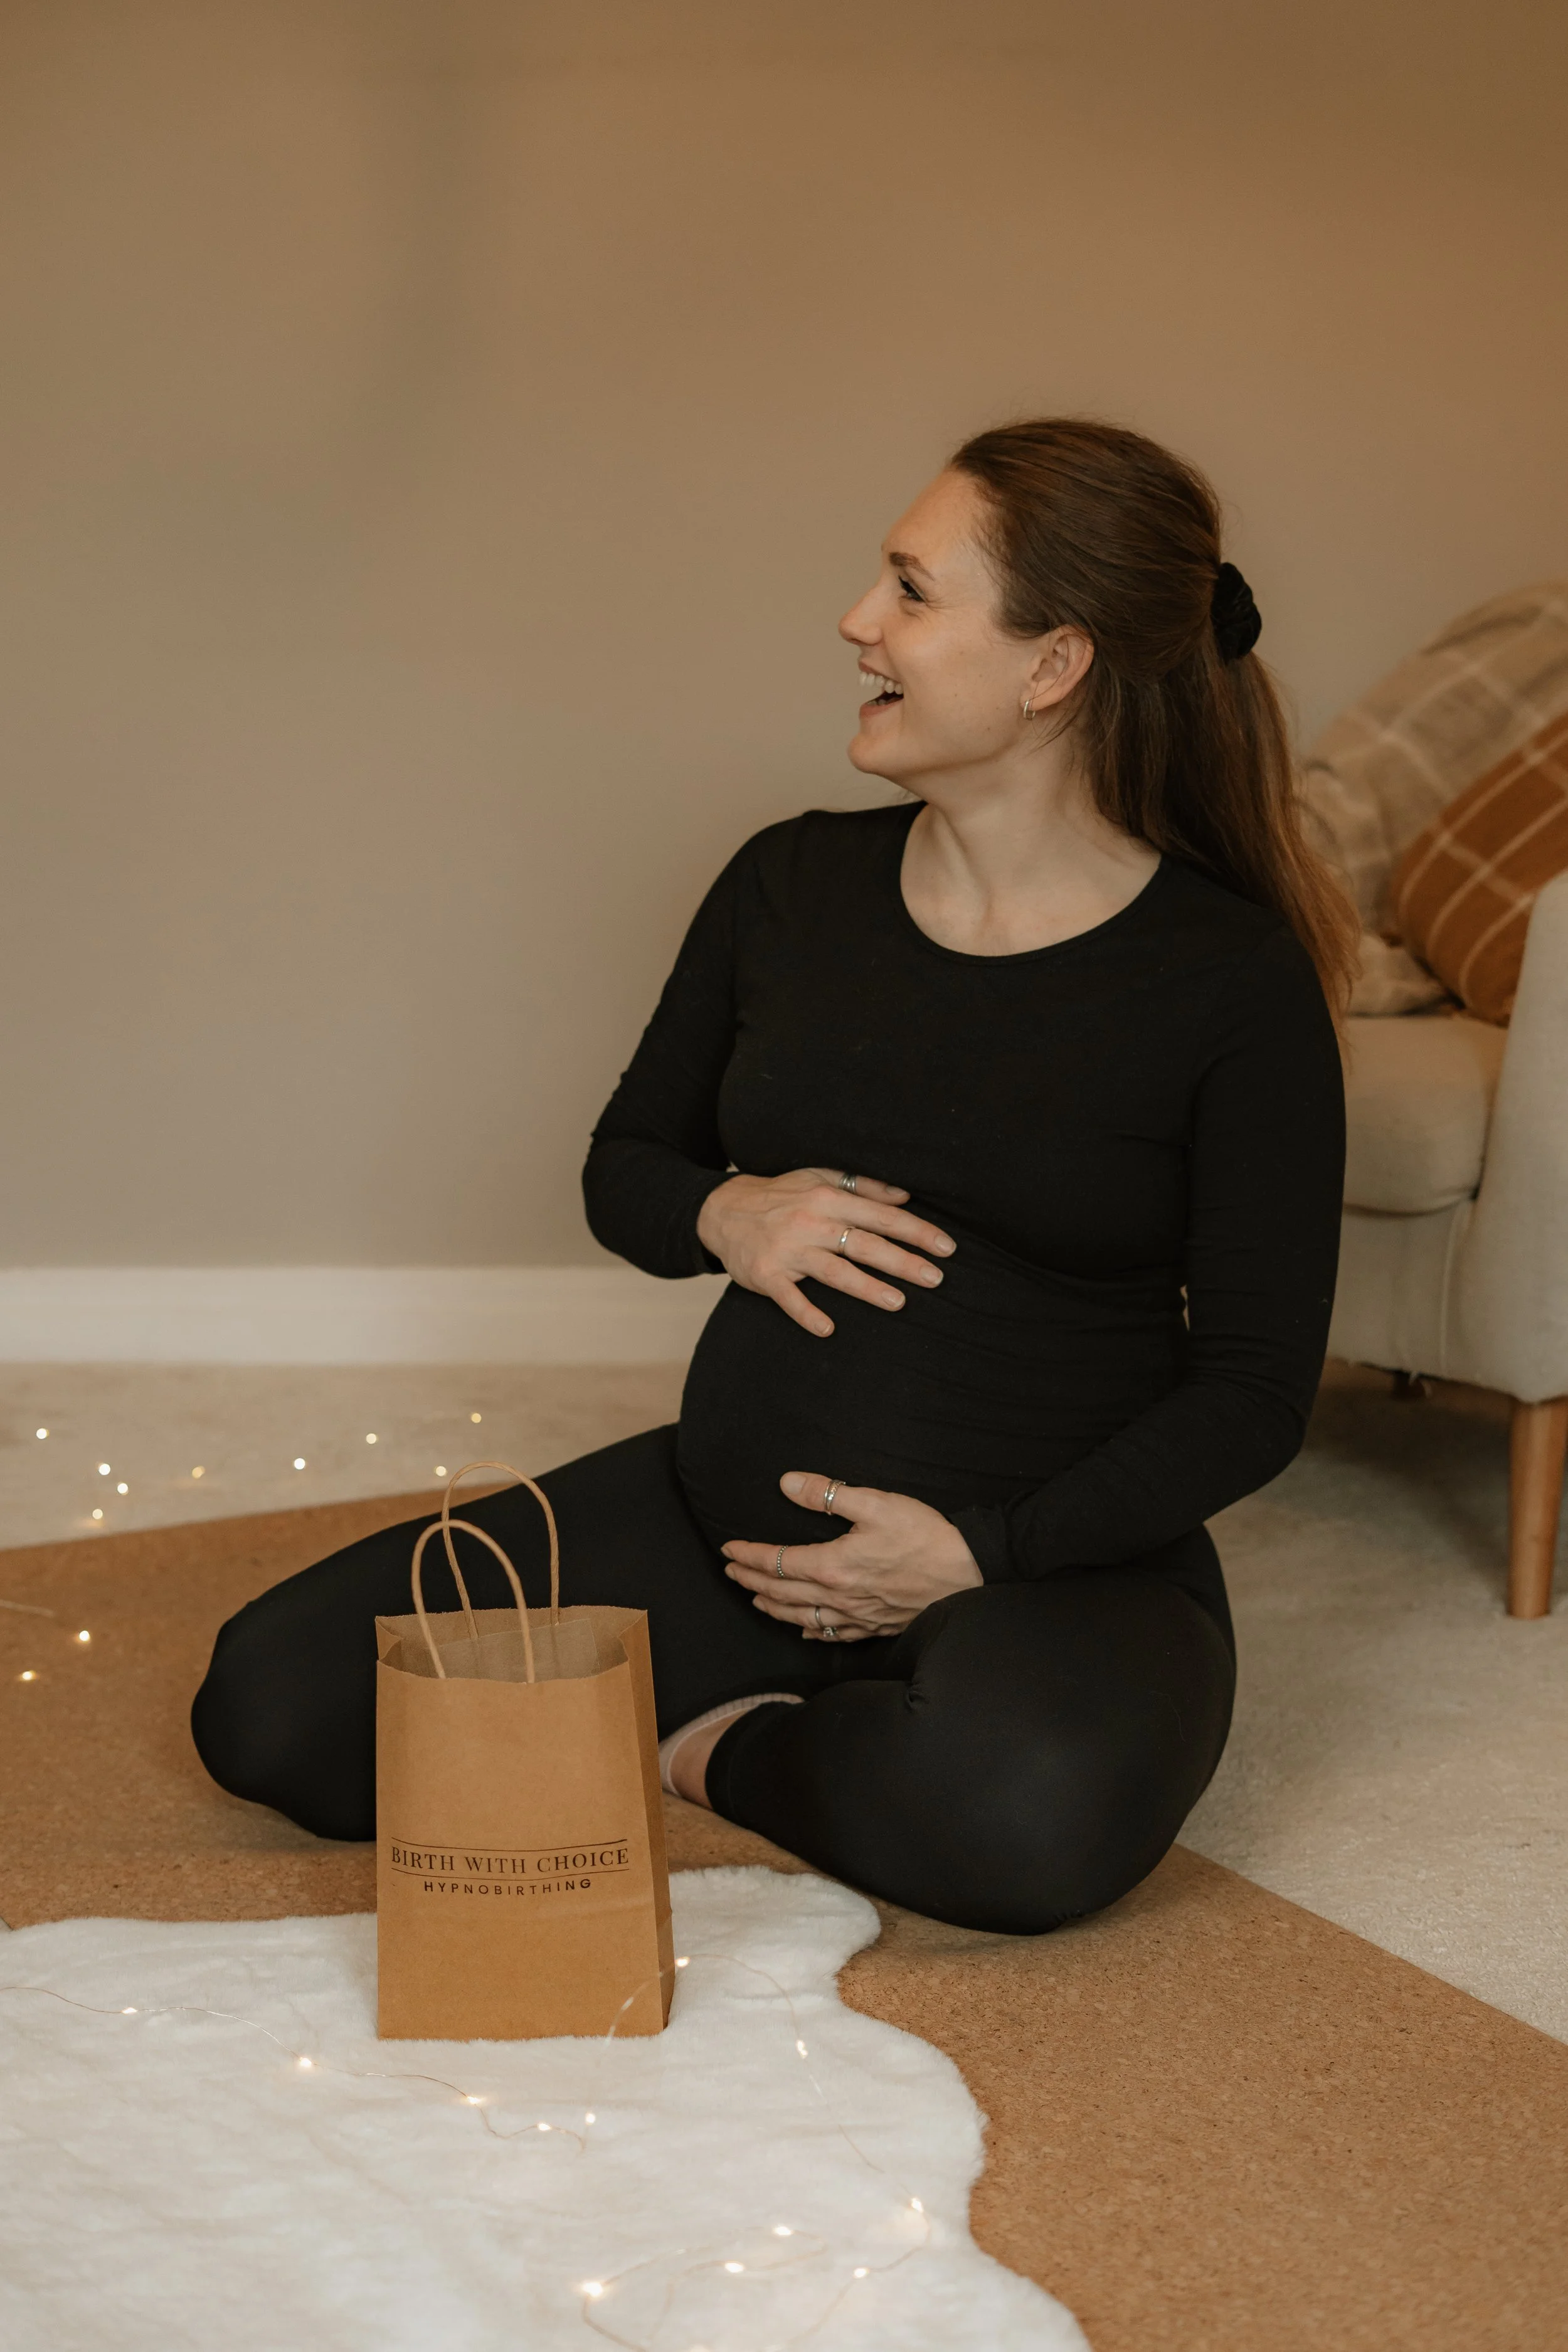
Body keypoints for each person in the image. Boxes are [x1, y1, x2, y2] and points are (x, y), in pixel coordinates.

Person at [191, 418, 1352, 1936]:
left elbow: (1256, 1387)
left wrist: (975, 1553)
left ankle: (721, 1747)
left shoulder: (1224, 980)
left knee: (1015, 1828)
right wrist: (719, 1211)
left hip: (1048, 1566)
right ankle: (779, 1696)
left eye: (910, 591)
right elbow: (627, 1168)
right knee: (271, 1710)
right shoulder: (788, 886)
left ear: (1050, 665)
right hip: (717, 1522)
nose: (856, 622)